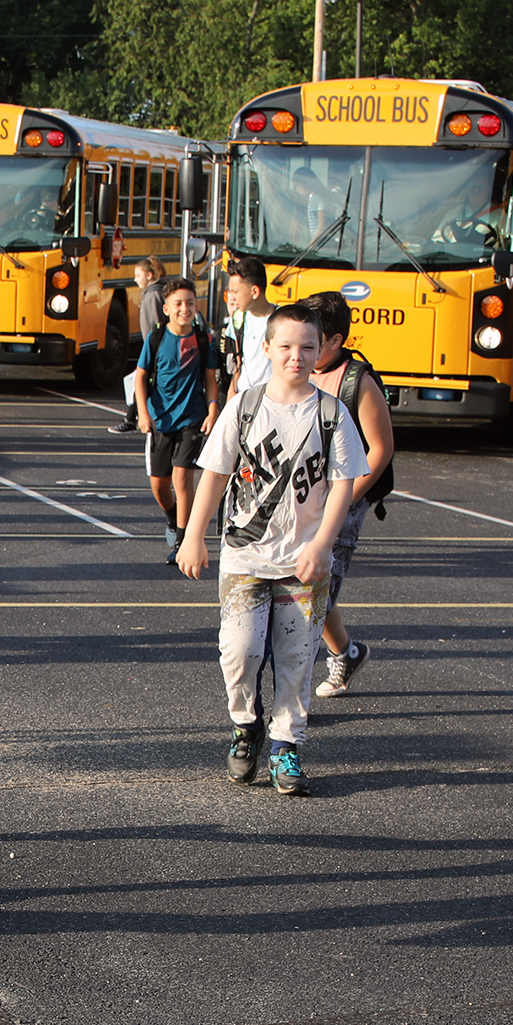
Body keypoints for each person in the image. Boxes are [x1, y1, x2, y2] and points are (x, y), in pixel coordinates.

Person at [177, 302, 367, 794]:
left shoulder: (331, 412)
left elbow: (345, 482)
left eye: (307, 347)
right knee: (238, 651)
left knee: (297, 656)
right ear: (267, 348)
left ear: (322, 348)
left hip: (302, 559)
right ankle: (246, 727)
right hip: (245, 554)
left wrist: (323, 543)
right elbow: (215, 473)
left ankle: (286, 747)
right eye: (285, 346)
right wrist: (194, 535)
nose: (296, 356)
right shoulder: (244, 406)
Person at [305, 290, 394, 699]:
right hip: (305, 493)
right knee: (310, 584)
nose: (302, 347)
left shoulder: (358, 381)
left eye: (312, 340)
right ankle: (347, 652)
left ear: (336, 341)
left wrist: (345, 501)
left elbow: (380, 449)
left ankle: (293, 693)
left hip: (345, 497)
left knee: (313, 589)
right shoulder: (299, 369)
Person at [135, 277, 220, 563]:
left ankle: (183, 540)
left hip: (192, 417)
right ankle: (172, 518)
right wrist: (143, 413)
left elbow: (210, 378)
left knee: (183, 477)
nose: (185, 309)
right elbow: (140, 377)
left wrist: (212, 409)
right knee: (160, 484)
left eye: (191, 303)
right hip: (160, 419)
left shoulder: (202, 339)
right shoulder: (157, 338)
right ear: (167, 309)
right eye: (179, 304)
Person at [110, 257, 164, 434]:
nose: (135, 279)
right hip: (153, 346)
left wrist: (153, 346)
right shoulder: (153, 293)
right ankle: (132, 417)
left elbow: (157, 325)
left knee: (141, 382)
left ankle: (131, 418)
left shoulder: (153, 296)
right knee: (140, 383)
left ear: (149, 275)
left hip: (153, 347)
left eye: (138, 275)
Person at [218, 258, 274, 398]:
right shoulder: (238, 319)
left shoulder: (281, 320)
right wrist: (232, 390)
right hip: (243, 398)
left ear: (254, 291)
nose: (232, 297)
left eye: (235, 291)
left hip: (270, 398)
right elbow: (239, 360)